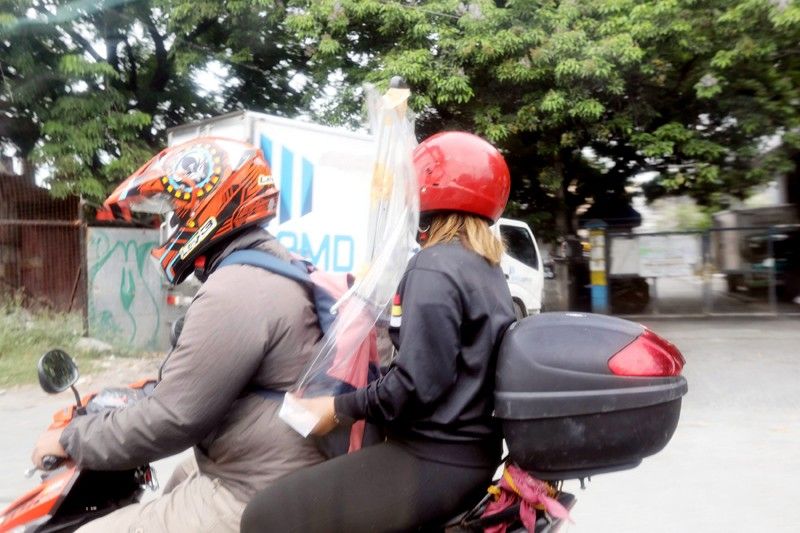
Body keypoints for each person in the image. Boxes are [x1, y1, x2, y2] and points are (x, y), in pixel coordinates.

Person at [31, 138, 325, 533]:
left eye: (176, 212)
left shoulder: (237, 289)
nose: (172, 226)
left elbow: (172, 419)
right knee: (177, 481)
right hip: (274, 463)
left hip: (254, 488)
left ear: (211, 206)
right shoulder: (274, 266)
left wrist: (70, 439)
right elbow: (202, 377)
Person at [240, 131, 517, 533]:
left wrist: (336, 408)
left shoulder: (433, 266)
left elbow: (416, 385)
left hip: (432, 457)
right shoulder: (486, 269)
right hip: (472, 454)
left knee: (265, 516)